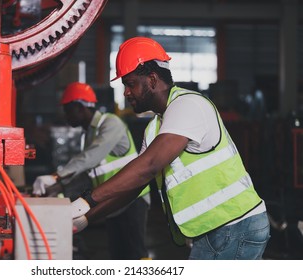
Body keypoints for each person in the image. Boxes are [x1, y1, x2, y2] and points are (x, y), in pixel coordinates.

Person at [71, 37, 270, 260]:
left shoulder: (188, 105)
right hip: (218, 228)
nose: (126, 93)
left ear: (153, 79)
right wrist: (87, 217)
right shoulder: (155, 127)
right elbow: (136, 185)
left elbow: (149, 166)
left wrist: (88, 199)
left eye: (131, 84)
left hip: (233, 225)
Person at [33, 81, 151, 260]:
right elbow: (91, 175)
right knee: (119, 256)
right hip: (111, 202)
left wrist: (56, 176)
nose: (65, 115)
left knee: (135, 253)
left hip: (131, 198)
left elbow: (90, 157)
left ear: (80, 108)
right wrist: (60, 188)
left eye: (68, 110)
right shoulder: (90, 133)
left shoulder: (111, 123)